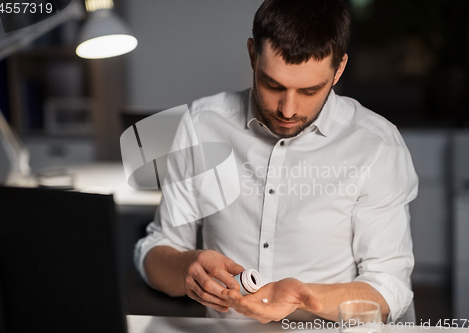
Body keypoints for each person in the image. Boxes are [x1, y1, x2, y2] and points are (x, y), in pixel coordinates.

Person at [134, 0, 418, 324]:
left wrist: (303, 297)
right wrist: (187, 267)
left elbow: (390, 286)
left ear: (338, 70)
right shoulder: (201, 125)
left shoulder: (376, 145)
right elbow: (155, 251)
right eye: (273, 85)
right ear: (253, 55)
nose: (288, 109)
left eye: (310, 90)